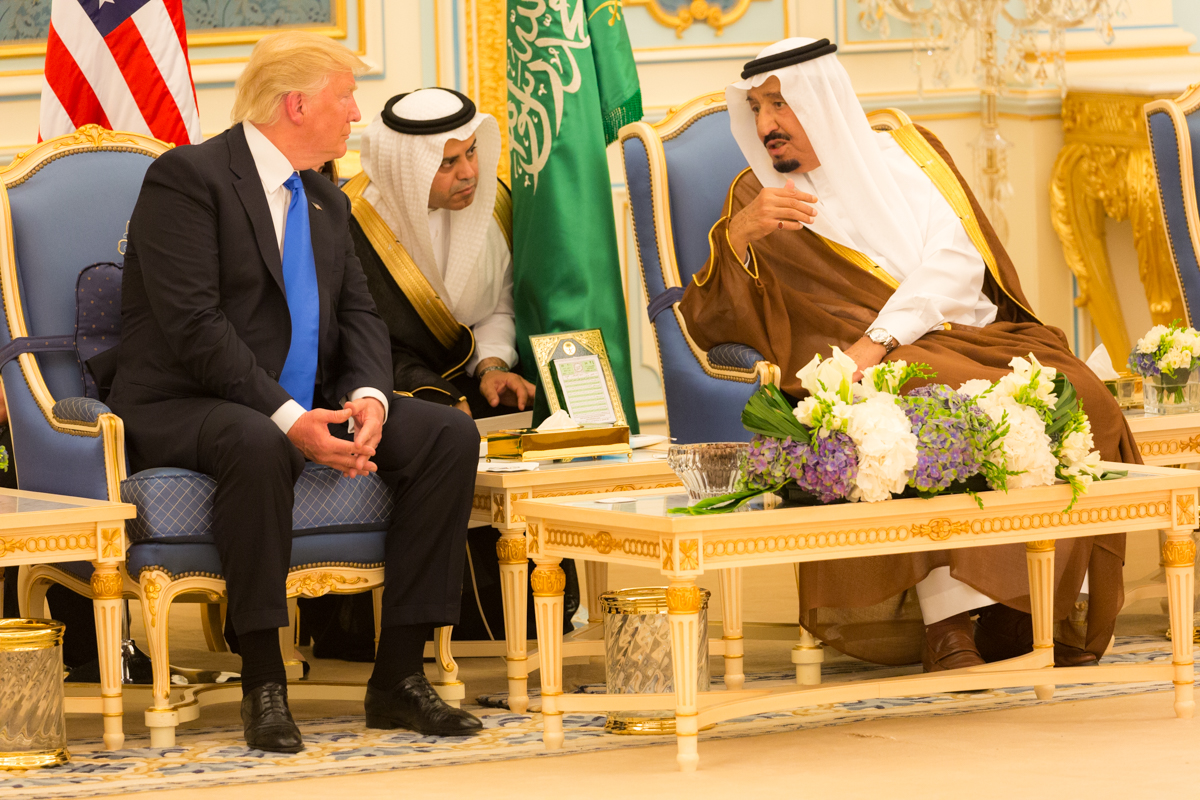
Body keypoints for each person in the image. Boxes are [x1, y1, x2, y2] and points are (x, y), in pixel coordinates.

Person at [680, 37, 1140, 672]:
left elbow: (955, 259)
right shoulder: (753, 199)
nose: (765, 126)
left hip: (949, 334)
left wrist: (883, 337)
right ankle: (948, 625)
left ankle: (1032, 609)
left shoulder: (908, 157)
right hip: (851, 358)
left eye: (779, 105)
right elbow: (715, 318)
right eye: (756, 108)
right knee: (926, 399)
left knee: (1079, 391)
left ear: (821, 99)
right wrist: (741, 236)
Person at [107, 31, 483, 752]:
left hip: (301, 398)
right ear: (298, 103)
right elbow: (194, 327)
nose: (355, 114)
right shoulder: (187, 180)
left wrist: (371, 399)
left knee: (445, 434)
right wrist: (288, 417)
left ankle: (400, 676)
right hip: (185, 401)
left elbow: (358, 315)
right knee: (256, 439)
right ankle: (263, 683)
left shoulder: (323, 196)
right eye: (345, 98)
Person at [345, 88, 535, 419]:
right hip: (389, 392)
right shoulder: (354, 222)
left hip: (473, 383)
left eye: (472, 152)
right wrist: (438, 397)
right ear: (408, 168)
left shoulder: (493, 202)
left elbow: (497, 307)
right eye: (448, 162)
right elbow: (354, 340)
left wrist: (492, 366)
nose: (469, 173)